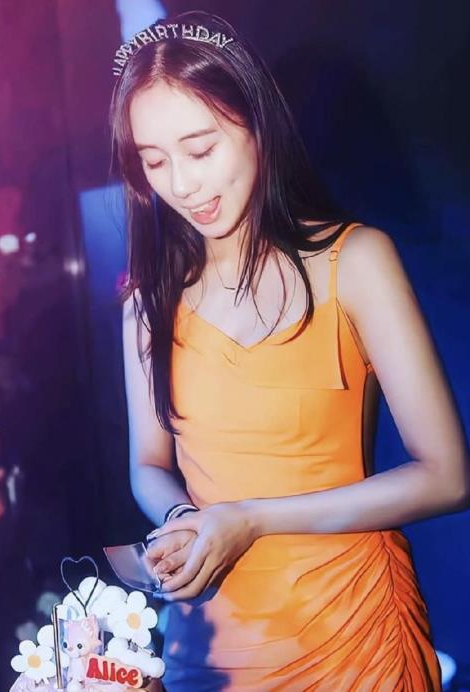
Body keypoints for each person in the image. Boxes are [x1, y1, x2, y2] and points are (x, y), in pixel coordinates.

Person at [112, 10, 469, 691]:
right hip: (211, 646)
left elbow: (448, 476)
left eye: (200, 149)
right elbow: (147, 465)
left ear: (257, 123)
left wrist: (250, 521)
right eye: (154, 161)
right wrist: (185, 520)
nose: (180, 185)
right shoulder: (147, 305)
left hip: (353, 635)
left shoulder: (354, 262)